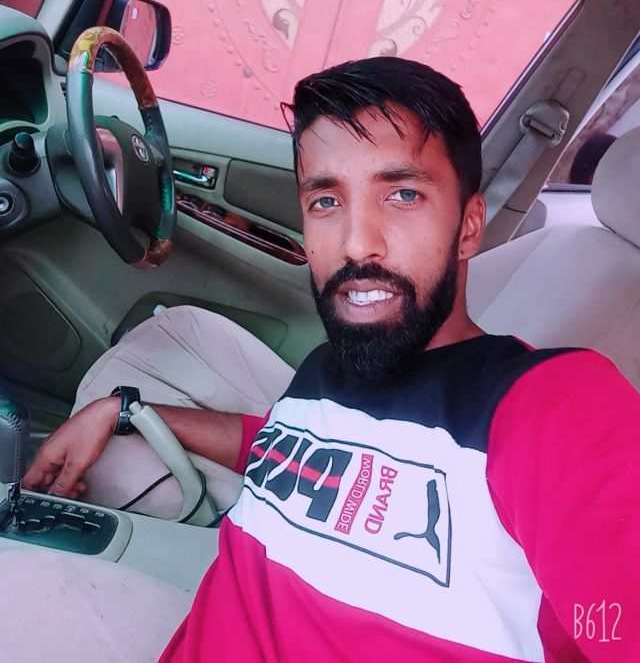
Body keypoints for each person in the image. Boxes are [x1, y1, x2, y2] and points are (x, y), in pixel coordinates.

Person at [20, 58, 640, 660]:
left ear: (470, 225)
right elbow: (288, 451)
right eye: (326, 202)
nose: (355, 243)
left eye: (402, 194)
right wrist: (124, 410)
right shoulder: (328, 368)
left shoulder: (559, 407)